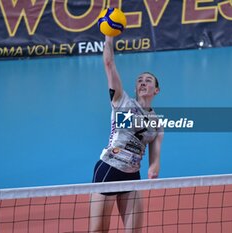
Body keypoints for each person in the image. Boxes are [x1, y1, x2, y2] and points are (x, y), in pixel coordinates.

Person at [89, 35, 164, 233]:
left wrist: (154, 170)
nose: (143, 82)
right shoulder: (122, 101)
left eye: (148, 80)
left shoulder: (157, 122)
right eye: (140, 80)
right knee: (98, 230)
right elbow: (108, 62)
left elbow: (155, 158)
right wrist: (109, 37)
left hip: (132, 175)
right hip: (109, 169)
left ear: (156, 90)